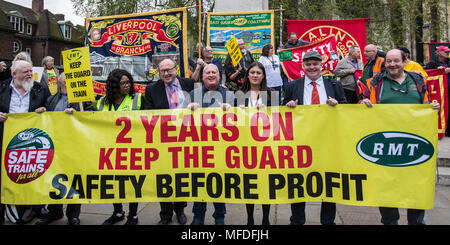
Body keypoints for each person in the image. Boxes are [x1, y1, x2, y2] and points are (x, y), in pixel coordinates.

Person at [360, 49, 439, 225]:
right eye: (389, 61)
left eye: (396, 61)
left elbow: (426, 103)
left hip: (414, 144)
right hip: (385, 144)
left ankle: (416, 221)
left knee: (417, 184)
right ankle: (389, 221)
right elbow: (363, 102)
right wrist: (364, 103)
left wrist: (433, 109)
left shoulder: (417, 80)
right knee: (386, 186)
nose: (392, 64)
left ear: (404, 61)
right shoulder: (376, 82)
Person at [283, 51, 347, 225]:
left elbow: (346, 110)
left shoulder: (333, 85)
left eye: (315, 64)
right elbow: (282, 112)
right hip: (301, 142)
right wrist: (288, 106)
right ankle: (297, 219)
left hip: (328, 142)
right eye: (308, 64)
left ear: (321, 65)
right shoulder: (293, 86)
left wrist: (338, 105)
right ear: (303, 66)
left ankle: (328, 221)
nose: (312, 67)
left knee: (328, 182)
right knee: (298, 182)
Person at [35, 72, 95, 225]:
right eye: (70, 81)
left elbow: (93, 115)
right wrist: (40, 113)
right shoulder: (51, 99)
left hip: (76, 145)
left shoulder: (83, 100)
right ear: (63, 83)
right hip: (56, 146)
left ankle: (73, 214)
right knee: (54, 179)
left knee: (75, 180)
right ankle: (54, 211)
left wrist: (78, 114)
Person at [143, 58, 193, 225]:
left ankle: (180, 210)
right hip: (162, 140)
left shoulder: (189, 84)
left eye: (169, 70)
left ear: (176, 69)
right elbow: (148, 113)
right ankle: (165, 213)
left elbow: (202, 104)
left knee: (180, 177)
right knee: (163, 177)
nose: (166, 73)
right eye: (162, 71)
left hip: (185, 138)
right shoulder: (151, 89)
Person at [0, 60, 50, 224]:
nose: (29, 74)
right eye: (25, 72)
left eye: (30, 71)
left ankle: (28, 209)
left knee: (29, 176)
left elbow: (51, 108)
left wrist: (44, 111)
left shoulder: (40, 89)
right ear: (14, 74)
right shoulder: (1, 88)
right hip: (4, 143)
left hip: (30, 146)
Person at [185, 64, 234, 225]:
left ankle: (220, 217)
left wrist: (232, 111)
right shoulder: (193, 94)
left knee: (219, 185)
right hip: (199, 151)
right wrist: (187, 110)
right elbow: (181, 122)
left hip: (221, 151)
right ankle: (198, 216)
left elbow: (241, 123)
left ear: (219, 76)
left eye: (214, 72)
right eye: (208, 73)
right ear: (202, 76)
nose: (211, 75)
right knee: (199, 184)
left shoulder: (229, 95)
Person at [98, 69, 144, 225]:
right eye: (123, 83)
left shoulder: (137, 99)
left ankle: (133, 215)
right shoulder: (102, 102)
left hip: (133, 148)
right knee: (113, 182)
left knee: (133, 183)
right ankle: (118, 212)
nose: (127, 85)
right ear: (114, 85)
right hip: (110, 150)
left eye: (128, 82)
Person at [237, 62, 273, 225]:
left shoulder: (271, 94)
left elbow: (281, 121)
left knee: (266, 185)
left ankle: (266, 219)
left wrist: (268, 111)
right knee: (249, 185)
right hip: (246, 146)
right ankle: (250, 219)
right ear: (248, 75)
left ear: (263, 75)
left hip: (266, 146)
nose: (255, 75)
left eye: (259, 72)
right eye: (252, 72)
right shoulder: (239, 94)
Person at [426, 45, 450, 136]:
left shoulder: (449, 62)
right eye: (445, 52)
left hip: (449, 88)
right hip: (439, 90)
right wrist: (437, 70)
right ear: (439, 53)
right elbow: (426, 74)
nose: (447, 53)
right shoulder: (432, 63)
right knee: (441, 108)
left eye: (448, 52)